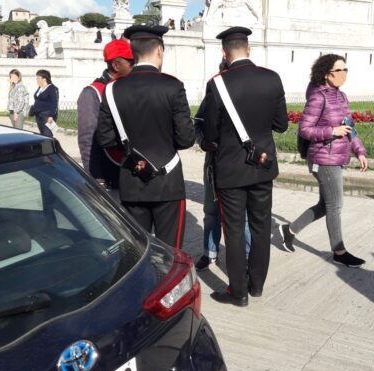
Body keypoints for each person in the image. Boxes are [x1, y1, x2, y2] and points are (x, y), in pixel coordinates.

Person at [202, 26, 288, 307]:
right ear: (248, 49)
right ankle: (257, 285)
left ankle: (237, 292)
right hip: (262, 165)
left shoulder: (217, 83)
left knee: (235, 230)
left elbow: (211, 134)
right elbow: (281, 124)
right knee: (262, 227)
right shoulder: (272, 79)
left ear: (224, 53)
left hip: (230, 169)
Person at [95, 25, 195, 249]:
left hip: (131, 181)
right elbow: (186, 139)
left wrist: (133, 156)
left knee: (140, 250)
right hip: (168, 182)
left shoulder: (112, 89)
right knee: (171, 253)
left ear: (133, 53)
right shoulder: (173, 86)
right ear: (159, 50)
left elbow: (105, 139)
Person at [279, 54, 369, 268]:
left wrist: (360, 151)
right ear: (328, 74)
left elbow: (349, 127)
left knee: (325, 204)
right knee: (335, 205)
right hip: (323, 157)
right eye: (340, 70)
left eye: (346, 70)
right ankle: (339, 251)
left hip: (335, 155)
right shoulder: (319, 97)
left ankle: (289, 230)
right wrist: (332, 131)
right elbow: (305, 130)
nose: (344, 74)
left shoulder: (341, 96)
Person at [195, 59, 252, 271]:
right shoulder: (213, 93)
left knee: (241, 216)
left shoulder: (249, 96)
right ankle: (210, 253)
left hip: (240, 165)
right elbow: (198, 123)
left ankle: (245, 256)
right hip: (214, 165)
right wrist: (202, 141)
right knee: (211, 212)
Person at [77, 39, 134, 195]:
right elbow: (88, 139)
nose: (134, 66)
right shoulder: (93, 92)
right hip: (109, 174)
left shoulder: (129, 87)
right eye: (131, 62)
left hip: (130, 172)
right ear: (116, 65)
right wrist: (95, 178)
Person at [31, 69, 59, 137]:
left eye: (38, 78)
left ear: (44, 78)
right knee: (42, 134)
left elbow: (54, 103)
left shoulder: (52, 88)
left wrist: (51, 116)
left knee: (47, 135)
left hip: (47, 115)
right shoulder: (40, 88)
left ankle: (48, 147)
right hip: (39, 115)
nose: (37, 79)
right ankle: (44, 147)